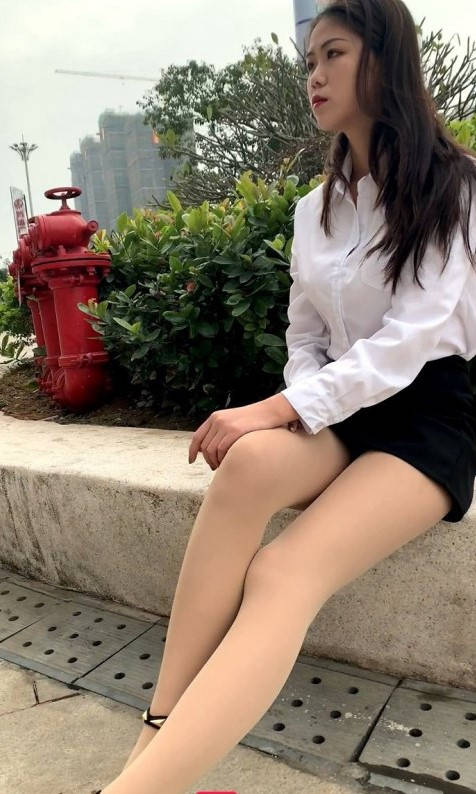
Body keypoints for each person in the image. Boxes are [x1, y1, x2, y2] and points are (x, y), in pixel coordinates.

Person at [100, 1, 476, 791]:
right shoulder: (316, 210)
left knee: (280, 573)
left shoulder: (455, 187)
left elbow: (410, 339)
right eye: (309, 62)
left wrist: (278, 411)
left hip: (430, 423)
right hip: (342, 411)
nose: (315, 76)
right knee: (246, 468)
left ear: (384, 59)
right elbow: (304, 336)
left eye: (334, 54)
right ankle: (155, 740)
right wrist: (301, 411)